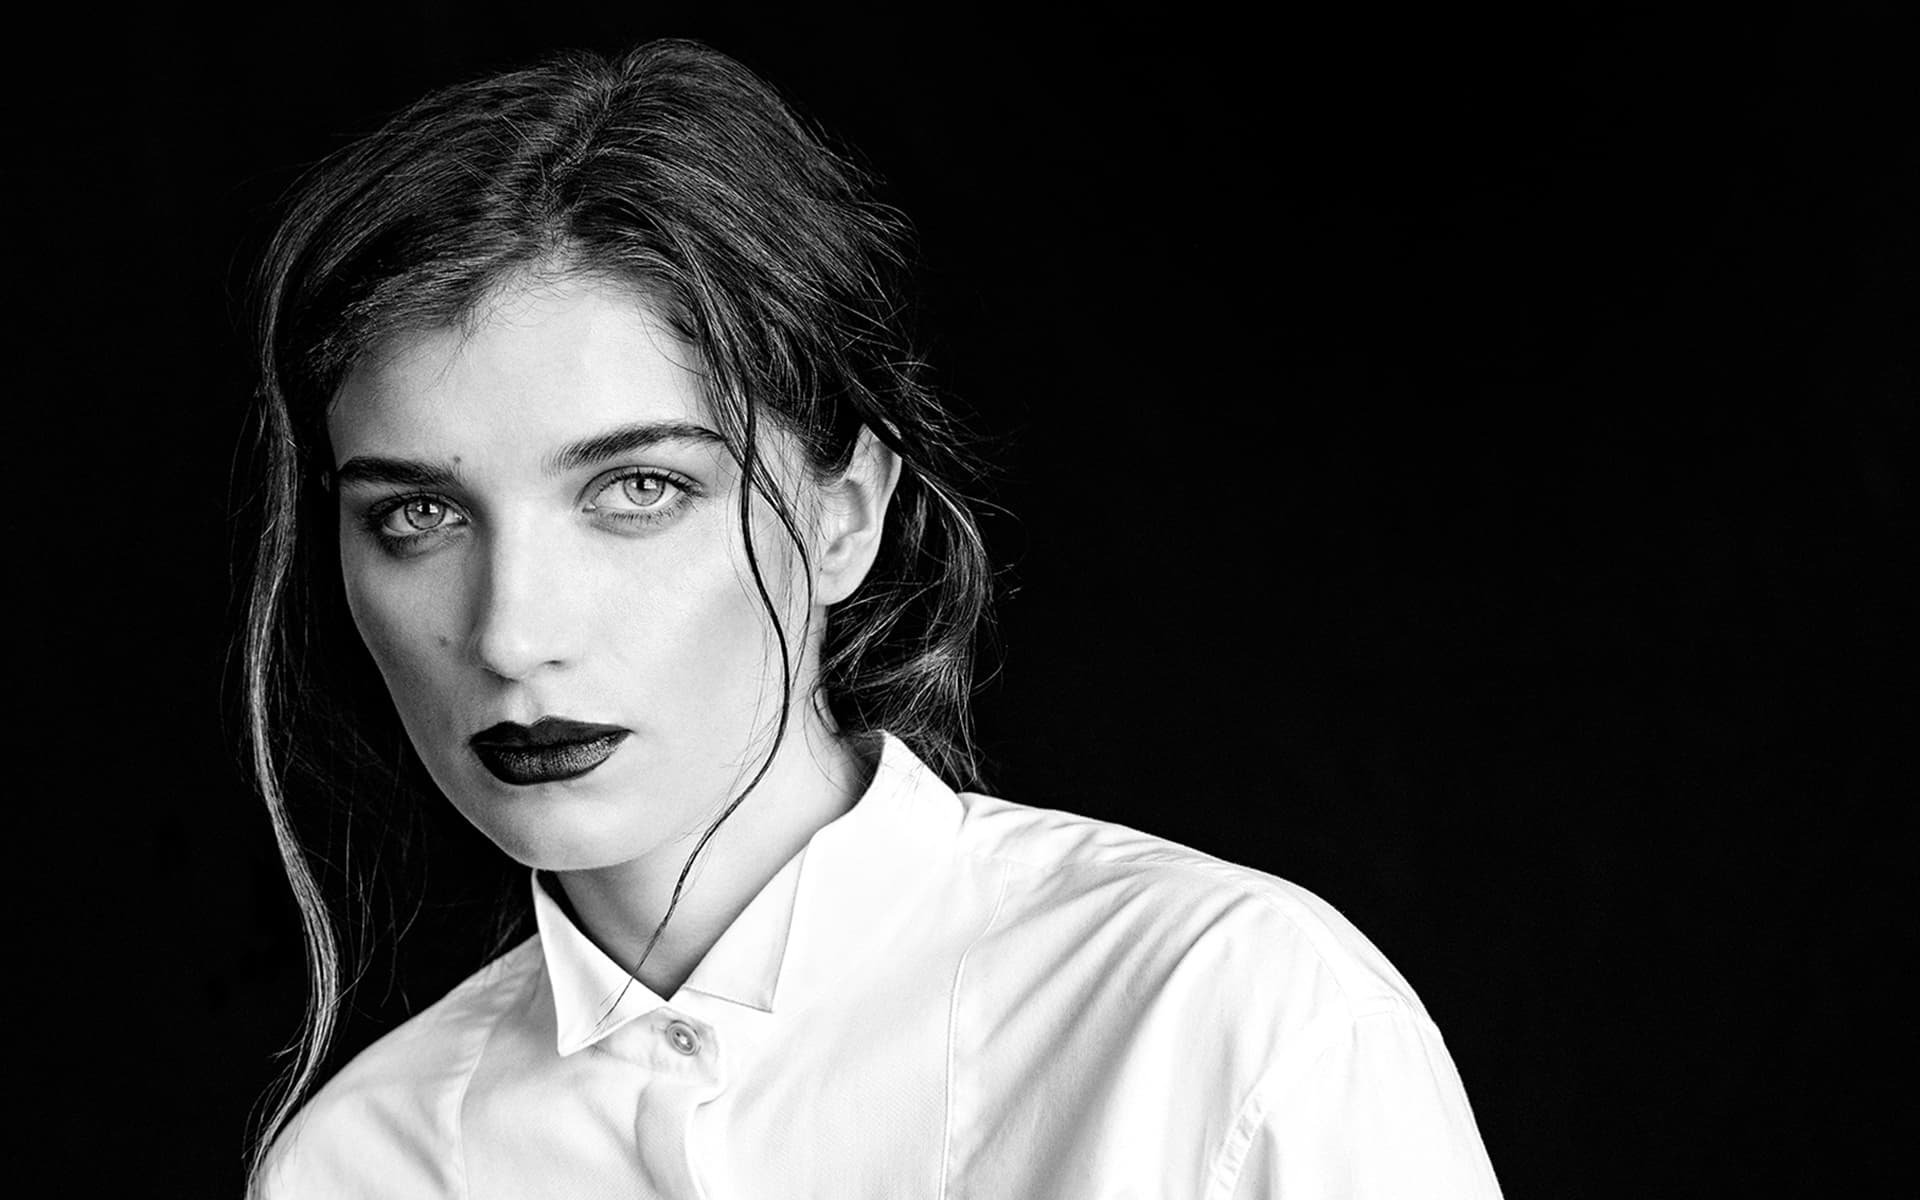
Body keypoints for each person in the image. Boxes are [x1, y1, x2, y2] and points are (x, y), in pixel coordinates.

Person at [242, 38, 1503, 1199]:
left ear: (843, 515)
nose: (511, 635)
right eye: (418, 516)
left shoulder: (1230, 1019)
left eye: (639, 490)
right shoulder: (359, 1168)